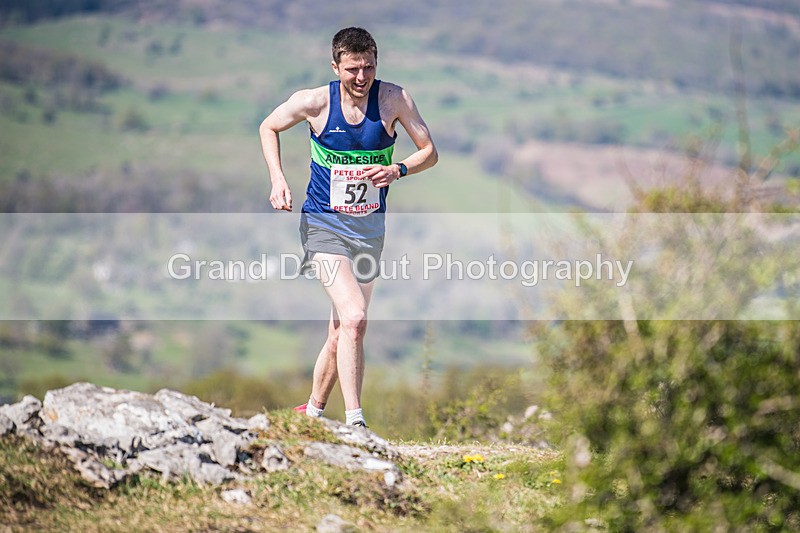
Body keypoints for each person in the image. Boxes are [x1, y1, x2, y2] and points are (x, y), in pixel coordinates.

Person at [259, 27, 438, 427]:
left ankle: (312, 414)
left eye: (369, 68)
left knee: (342, 331)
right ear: (336, 65)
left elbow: (429, 152)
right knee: (356, 317)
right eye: (353, 69)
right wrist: (277, 178)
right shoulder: (315, 102)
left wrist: (398, 168)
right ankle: (355, 422)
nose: (361, 78)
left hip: (370, 231)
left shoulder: (394, 99)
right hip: (323, 224)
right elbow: (268, 127)